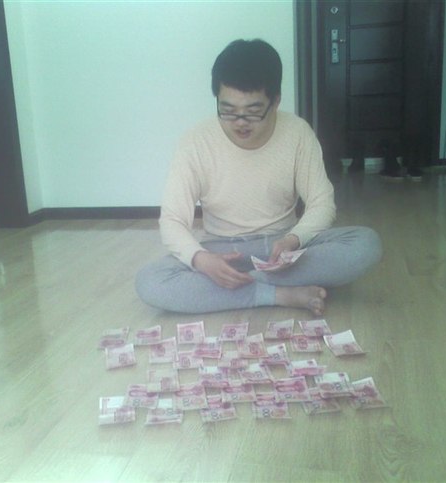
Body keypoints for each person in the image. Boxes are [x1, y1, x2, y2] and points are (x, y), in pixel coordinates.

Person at [136, 39, 382, 315]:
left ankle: (234, 289)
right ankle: (277, 293)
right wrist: (202, 260)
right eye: (228, 111)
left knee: (365, 245)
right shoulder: (195, 141)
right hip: (223, 250)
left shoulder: (297, 133)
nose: (240, 123)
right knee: (150, 281)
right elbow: (172, 220)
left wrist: (294, 239)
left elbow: (322, 203)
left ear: (275, 101)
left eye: (253, 112)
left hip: (282, 247)